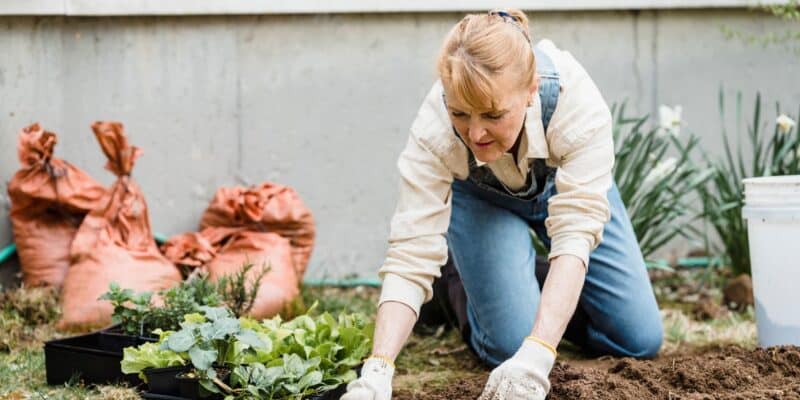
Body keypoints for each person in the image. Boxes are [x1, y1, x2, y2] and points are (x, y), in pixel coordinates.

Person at [342, 8, 663, 400]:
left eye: (493, 114)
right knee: (510, 344)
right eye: (460, 112)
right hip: (480, 201)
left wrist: (541, 351)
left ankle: (515, 279)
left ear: (530, 90)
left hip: (564, 191)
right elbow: (411, 254)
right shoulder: (434, 131)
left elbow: (576, 234)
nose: (475, 132)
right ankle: (455, 284)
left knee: (638, 339)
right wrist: (378, 370)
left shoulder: (574, 103)